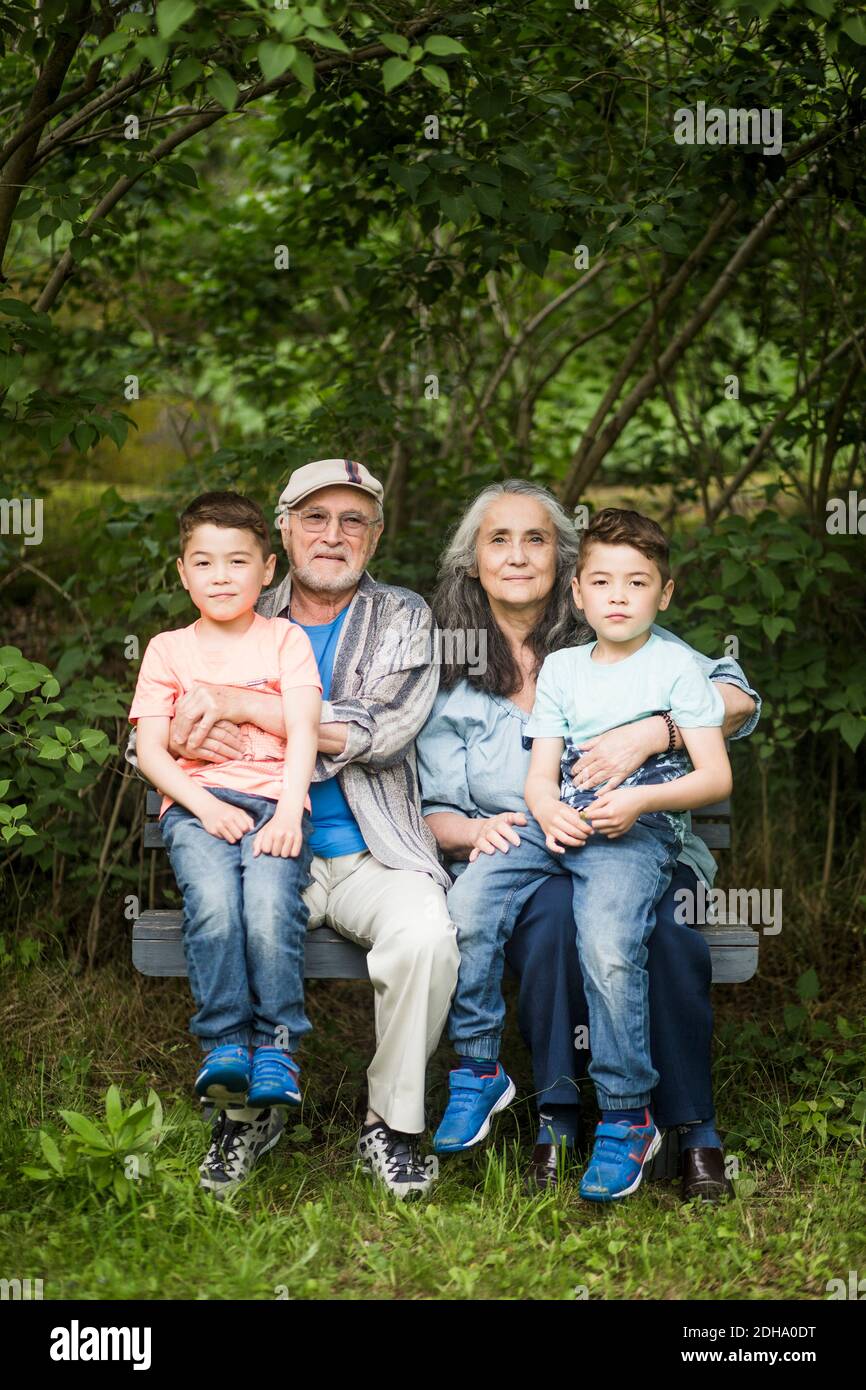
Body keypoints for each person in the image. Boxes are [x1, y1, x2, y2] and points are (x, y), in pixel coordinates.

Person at [417, 480, 761, 1200]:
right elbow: (433, 806)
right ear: (471, 561)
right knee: (542, 926)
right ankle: (558, 1112)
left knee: (659, 931)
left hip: (638, 839)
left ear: (561, 565)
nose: (516, 556)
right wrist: (483, 829)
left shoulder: (613, 626)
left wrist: (654, 733)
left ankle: (686, 1124)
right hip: (536, 848)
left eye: (535, 538)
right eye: (498, 540)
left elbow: (735, 698)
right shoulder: (448, 668)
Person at [129, 459, 459, 1198]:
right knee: (239, 911)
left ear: (375, 536)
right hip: (260, 846)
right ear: (283, 530)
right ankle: (244, 1116)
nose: (333, 535)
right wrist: (187, 730)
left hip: (374, 851)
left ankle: (391, 1125)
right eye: (315, 517)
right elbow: (145, 738)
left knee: (428, 939)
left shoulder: (403, 617)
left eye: (353, 521)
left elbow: (384, 729)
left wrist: (240, 708)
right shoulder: (237, 591)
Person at [129, 491, 322, 1119]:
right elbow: (152, 753)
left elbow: (304, 729)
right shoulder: (166, 651)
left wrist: (291, 812)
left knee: (268, 906)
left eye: (237, 562)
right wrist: (204, 807)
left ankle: (278, 1045)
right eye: (204, 563)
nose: (221, 576)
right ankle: (225, 1043)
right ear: (182, 573)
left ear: (267, 570)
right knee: (214, 906)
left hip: (274, 806)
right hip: (196, 808)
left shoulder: (284, 639)